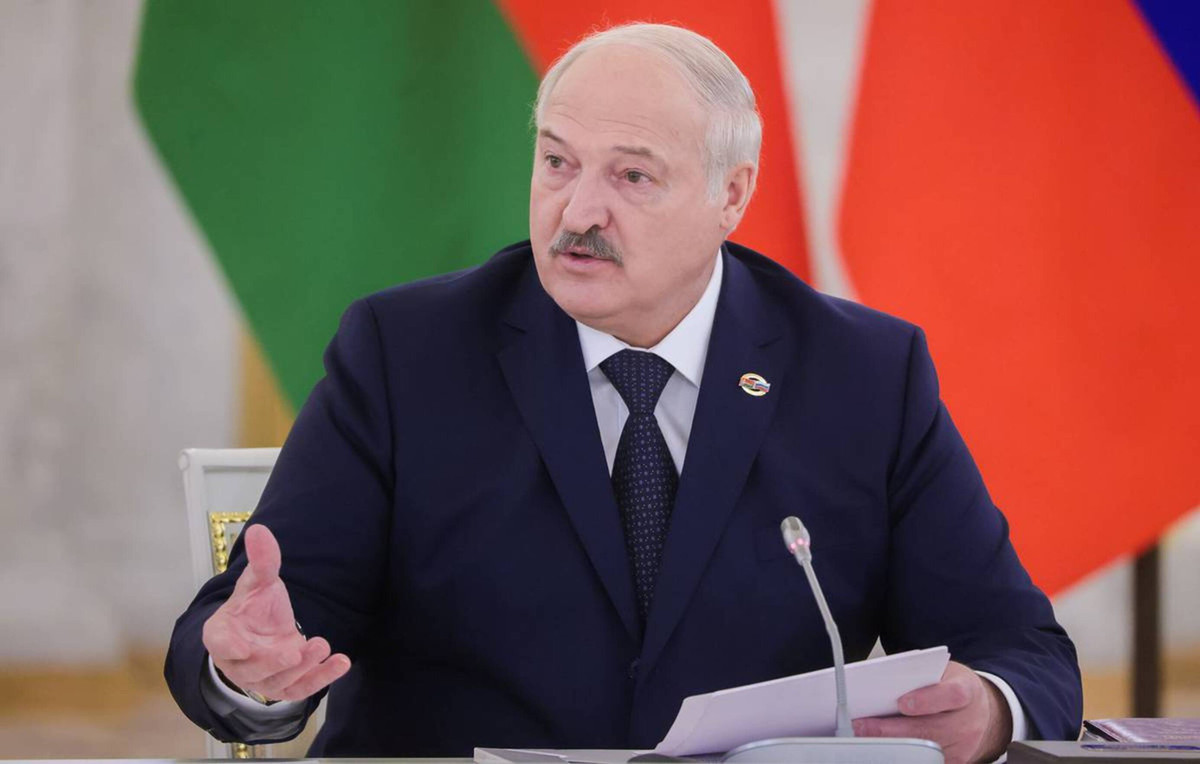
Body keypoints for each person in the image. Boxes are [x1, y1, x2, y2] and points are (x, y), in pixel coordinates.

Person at [166, 23, 1082, 762]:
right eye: (558, 162)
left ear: (732, 196)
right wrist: (251, 672)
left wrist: (987, 711)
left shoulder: (865, 374)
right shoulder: (404, 355)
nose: (577, 213)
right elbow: (262, 626)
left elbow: (1023, 653)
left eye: (632, 175)